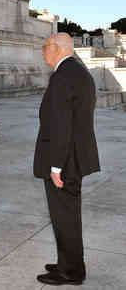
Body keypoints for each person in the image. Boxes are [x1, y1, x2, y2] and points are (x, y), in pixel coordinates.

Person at [33, 33, 100, 286]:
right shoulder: (80, 73)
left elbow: (62, 125)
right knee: (68, 215)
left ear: (57, 48)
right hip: (76, 157)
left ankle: (71, 271)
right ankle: (69, 262)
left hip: (64, 161)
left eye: (44, 47)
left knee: (65, 217)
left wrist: (56, 166)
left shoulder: (62, 77)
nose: (43, 52)